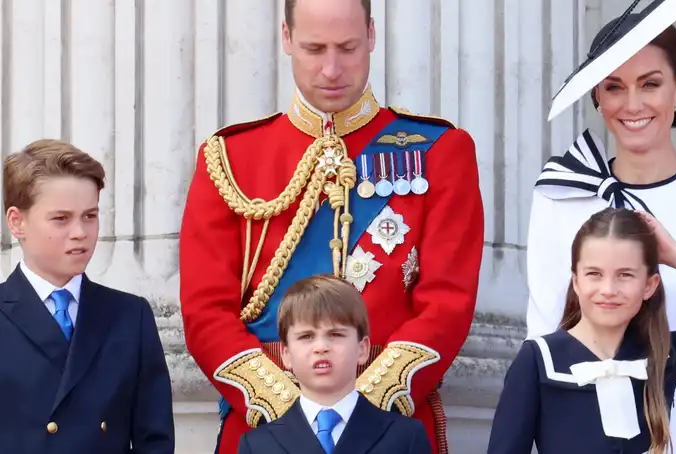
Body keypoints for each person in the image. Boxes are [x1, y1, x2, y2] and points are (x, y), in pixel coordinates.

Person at [178, 0, 484, 452]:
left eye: (348, 48)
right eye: (314, 48)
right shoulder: (230, 158)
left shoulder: (440, 151)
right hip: (266, 428)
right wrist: (292, 412)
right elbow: (205, 310)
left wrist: (358, 410)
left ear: (372, 35)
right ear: (286, 38)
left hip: (388, 427)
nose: (332, 69)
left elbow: (448, 303)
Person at [526, 7, 676, 453]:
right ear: (597, 96)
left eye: (650, 84)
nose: (632, 104)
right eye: (614, 87)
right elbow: (543, 335)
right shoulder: (559, 195)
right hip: (580, 421)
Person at [490, 208, 676, 454]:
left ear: (649, 285)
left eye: (625, 275)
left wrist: (674, 253)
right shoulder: (538, 361)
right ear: (575, 281)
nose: (608, 290)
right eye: (594, 274)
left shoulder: (665, 355)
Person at [0, 140, 174, 454]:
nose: (80, 232)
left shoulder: (130, 316)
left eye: (90, 216)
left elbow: (155, 440)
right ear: (17, 222)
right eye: (61, 219)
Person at [236, 274, 432, 454]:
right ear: (286, 354)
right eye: (306, 336)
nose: (321, 347)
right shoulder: (257, 445)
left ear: (362, 348)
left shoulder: (406, 436)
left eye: (335, 334)